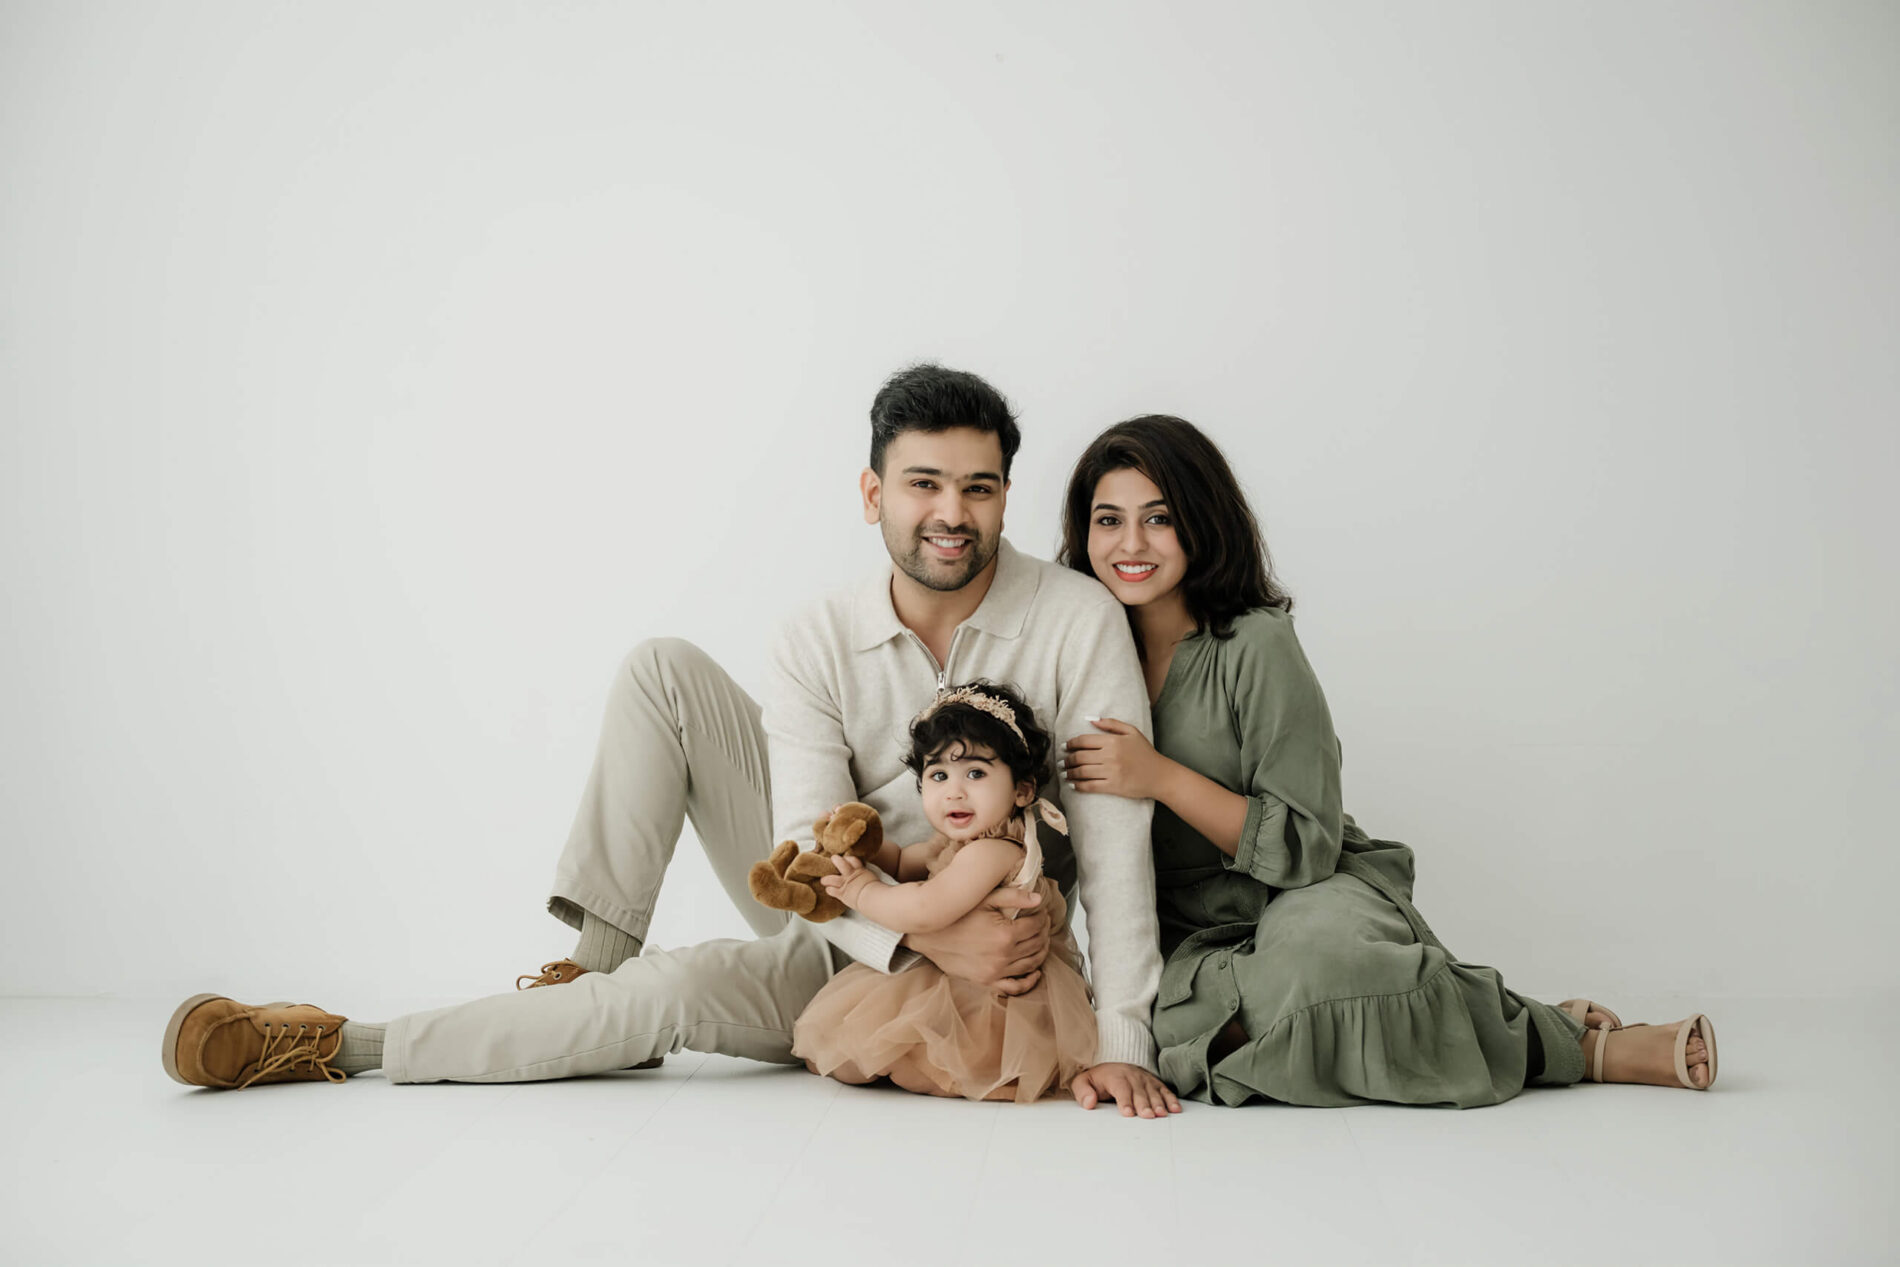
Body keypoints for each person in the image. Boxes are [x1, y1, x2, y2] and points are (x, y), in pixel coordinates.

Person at [160, 365, 1180, 1120]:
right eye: (923, 484)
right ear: (873, 496)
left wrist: (1124, 1040)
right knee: (661, 668)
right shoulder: (815, 634)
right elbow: (808, 854)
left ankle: (354, 1042)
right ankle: (585, 967)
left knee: (667, 994)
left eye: (978, 488)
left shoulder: (1075, 618)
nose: (950, 514)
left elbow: (1115, 845)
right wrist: (915, 922)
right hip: (853, 920)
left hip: (983, 958)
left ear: (1006, 493)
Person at [1055, 415, 1718, 1107]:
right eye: (1109, 520)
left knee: (1327, 968)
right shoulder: (1083, 650)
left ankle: (1579, 1046)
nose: (1131, 544)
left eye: (1158, 518)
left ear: (1201, 521)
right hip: (1184, 936)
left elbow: (1306, 842)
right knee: (1183, 1032)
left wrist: (1159, 775)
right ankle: (1465, 1010)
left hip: (1300, 894)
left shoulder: (1255, 644)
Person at [793, 680, 1097, 1102]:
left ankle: (988, 1074)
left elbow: (924, 909)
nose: (954, 790)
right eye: (938, 775)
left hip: (1001, 997)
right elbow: (902, 864)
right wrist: (866, 841)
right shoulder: (956, 846)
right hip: (957, 975)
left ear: (1022, 790)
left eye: (975, 773)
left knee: (906, 1060)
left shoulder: (995, 851)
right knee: (842, 1052)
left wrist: (861, 891)